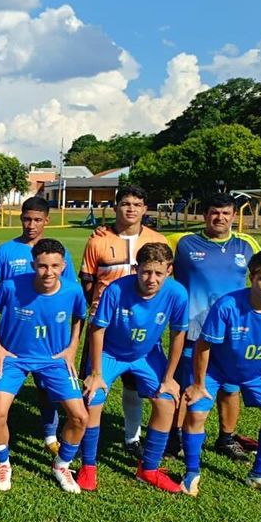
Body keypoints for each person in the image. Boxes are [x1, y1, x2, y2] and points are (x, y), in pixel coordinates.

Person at [180, 250, 261, 500]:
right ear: (251, 278)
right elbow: (203, 346)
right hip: (215, 369)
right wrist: (199, 383)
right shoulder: (228, 305)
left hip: (255, 372)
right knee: (196, 412)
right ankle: (192, 472)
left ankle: (260, 474)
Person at [81, 243, 188, 493]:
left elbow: (178, 335)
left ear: (169, 271)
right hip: (110, 353)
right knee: (93, 398)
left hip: (146, 354)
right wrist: (95, 373)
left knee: (166, 401)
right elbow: (97, 330)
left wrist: (170, 377)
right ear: (135, 268)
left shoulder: (177, 293)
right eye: (146, 272)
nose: (151, 279)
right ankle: (88, 466)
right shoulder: (116, 289)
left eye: (158, 273)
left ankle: (148, 469)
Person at [0, 238, 88, 493]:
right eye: (42, 266)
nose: (49, 272)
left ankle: (61, 464)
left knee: (80, 416)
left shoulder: (73, 290)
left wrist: (72, 347)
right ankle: (3, 464)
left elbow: (80, 317)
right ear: (33, 265)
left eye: (55, 266)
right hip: (13, 359)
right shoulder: (10, 287)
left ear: (64, 265)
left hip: (53, 360)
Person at [0, 196, 79, 456]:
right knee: (3, 393)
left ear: (47, 221)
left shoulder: (60, 253)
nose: (31, 225)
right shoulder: (5, 250)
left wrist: (72, 344)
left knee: (48, 390)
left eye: (38, 220)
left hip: (50, 341)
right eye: (27, 219)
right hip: (15, 335)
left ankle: (49, 434)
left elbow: (69, 294)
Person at [168, 193, 261, 461]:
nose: (219, 217)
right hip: (192, 330)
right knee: (188, 386)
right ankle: (177, 438)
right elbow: (149, 249)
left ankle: (227, 438)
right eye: (214, 212)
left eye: (225, 213)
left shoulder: (247, 244)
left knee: (230, 386)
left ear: (234, 215)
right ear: (204, 214)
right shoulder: (182, 242)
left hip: (233, 332)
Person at [80, 185, 166, 457]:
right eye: (125, 203)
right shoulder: (98, 239)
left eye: (136, 204)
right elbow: (88, 280)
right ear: (116, 207)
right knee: (91, 383)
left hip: (142, 325)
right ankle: (82, 436)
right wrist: (100, 308)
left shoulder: (158, 240)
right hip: (104, 326)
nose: (131, 208)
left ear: (145, 208)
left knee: (134, 385)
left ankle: (132, 438)